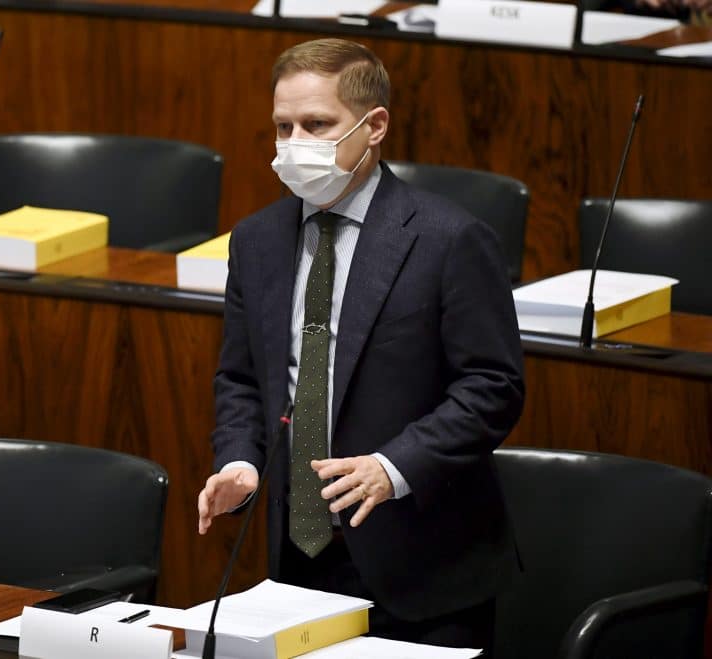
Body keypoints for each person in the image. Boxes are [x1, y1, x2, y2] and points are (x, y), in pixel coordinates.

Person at [197, 38, 525, 652]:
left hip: (422, 567)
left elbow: (493, 387)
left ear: (374, 126)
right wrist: (240, 460)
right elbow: (241, 378)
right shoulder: (256, 240)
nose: (295, 143)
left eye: (317, 125)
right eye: (284, 127)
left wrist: (392, 467)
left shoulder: (449, 238)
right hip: (298, 558)